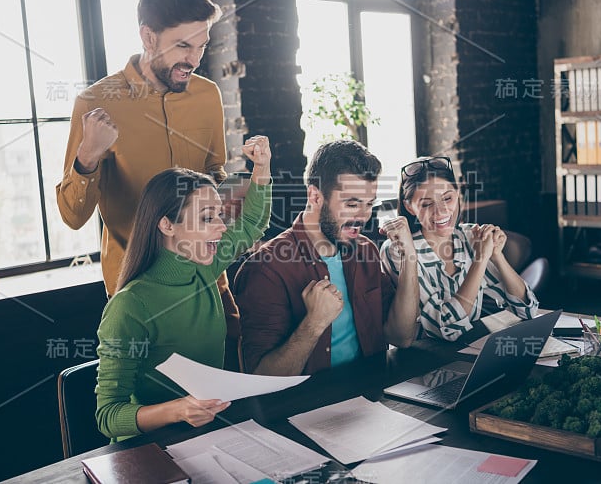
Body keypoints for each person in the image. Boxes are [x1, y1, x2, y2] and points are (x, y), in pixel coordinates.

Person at [56, 0, 243, 368]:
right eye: (183, 46)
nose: (194, 58)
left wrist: (237, 198)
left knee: (226, 399)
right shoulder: (96, 103)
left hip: (209, 277)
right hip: (140, 292)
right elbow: (72, 217)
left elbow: (214, 172)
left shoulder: (207, 96)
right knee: (158, 407)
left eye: (202, 46)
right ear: (148, 37)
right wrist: (88, 155)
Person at [95, 136, 272, 441]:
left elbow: (252, 222)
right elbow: (108, 416)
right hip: (146, 451)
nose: (221, 226)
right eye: (207, 218)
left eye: (219, 215)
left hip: (203, 438)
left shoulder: (204, 268)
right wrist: (176, 410)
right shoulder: (129, 306)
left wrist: (262, 166)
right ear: (167, 225)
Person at [233, 139, 420, 376]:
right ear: (315, 196)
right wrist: (314, 323)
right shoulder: (266, 268)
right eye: (351, 204)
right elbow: (262, 378)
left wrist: (409, 259)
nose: (363, 217)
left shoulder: (366, 250)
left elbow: (401, 337)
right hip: (308, 408)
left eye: (369, 204)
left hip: (373, 395)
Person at [380, 156, 538, 341]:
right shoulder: (397, 250)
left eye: (447, 198)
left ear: (458, 194)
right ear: (409, 207)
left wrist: (496, 256)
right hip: (421, 358)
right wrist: (480, 261)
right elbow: (446, 327)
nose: (441, 211)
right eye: (426, 203)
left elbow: (527, 310)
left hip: (471, 352)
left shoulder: (469, 236)